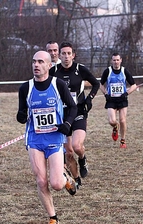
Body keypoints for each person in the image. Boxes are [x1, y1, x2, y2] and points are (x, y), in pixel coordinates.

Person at [16, 51, 78, 224]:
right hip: (35, 139)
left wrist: (67, 124)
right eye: (34, 61)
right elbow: (21, 114)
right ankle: (53, 218)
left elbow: (73, 107)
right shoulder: (25, 88)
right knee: (41, 180)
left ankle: (65, 178)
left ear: (49, 65)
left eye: (40, 62)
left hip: (54, 138)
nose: (36, 65)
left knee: (56, 184)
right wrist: (20, 116)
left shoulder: (57, 84)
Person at [49, 41, 100, 185]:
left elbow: (96, 83)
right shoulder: (53, 71)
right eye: (63, 53)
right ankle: (76, 179)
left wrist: (89, 98)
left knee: (77, 146)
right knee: (69, 153)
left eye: (69, 53)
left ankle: (83, 159)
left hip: (78, 111)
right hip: (63, 115)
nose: (66, 56)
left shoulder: (80, 69)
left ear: (73, 55)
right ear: (59, 55)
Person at [100, 52, 138, 148]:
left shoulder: (124, 71)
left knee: (122, 120)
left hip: (122, 100)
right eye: (114, 60)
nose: (116, 62)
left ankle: (123, 141)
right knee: (112, 121)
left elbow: (134, 85)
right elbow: (101, 84)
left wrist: (126, 93)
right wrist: (105, 94)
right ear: (111, 61)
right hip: (111, 100)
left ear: (121, 60)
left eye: (117, 60)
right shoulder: (107, 71)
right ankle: (115, 127)